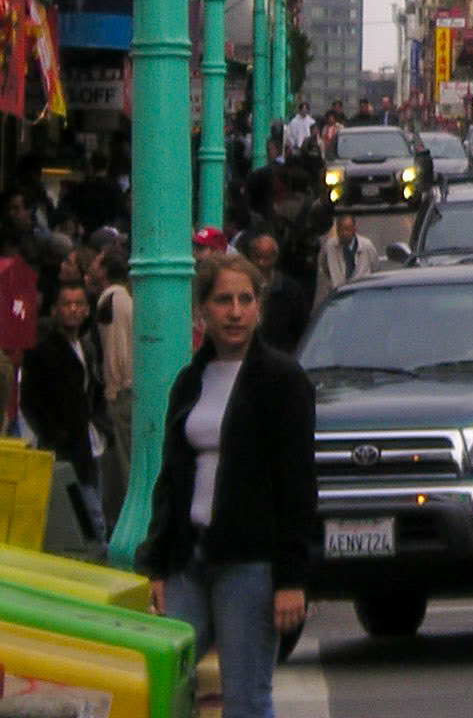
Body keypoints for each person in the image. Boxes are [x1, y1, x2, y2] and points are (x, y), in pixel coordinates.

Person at [144, 253, 316, 718]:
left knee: (245, 698)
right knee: (164, 687)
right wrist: (156, 564)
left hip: (250, 564)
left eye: (245, 300)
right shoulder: (189, 380)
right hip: (188, 562)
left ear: (259, 307)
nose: (235, 312)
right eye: (223, 300)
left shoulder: (282, 380)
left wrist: (292, 580)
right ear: (202, 311)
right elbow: (171, 478)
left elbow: (298, 485)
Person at [20, 280, 111, 543]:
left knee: (93, 513)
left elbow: (91, 393)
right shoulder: (43, 352)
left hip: (91, 446)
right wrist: (53, 434)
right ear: (54, 310)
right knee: (92, 522)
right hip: (69, 450)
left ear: (86, 310)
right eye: (66, 304)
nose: (73, 309)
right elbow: (29, 400)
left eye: (79, 304)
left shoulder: (87, 347)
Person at [90, 246, 133, 526]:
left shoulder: (112, 301)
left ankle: (118, 522)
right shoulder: (123, 298)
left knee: (119, 463)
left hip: (120, 392)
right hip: (125, 390)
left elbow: (116, 350)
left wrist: (112, 389)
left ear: (104, 270)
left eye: (96, 261)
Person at [246, 233, 310, 355]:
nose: (261, 263)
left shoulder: (291, 290)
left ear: (275, 258)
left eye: (266, 258)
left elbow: (301, 328)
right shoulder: (240, 287)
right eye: (257, 257)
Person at [313, 213, 379, 307]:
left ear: (354, 229)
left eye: (348, 230)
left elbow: (375, 267)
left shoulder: (367, 246)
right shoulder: (330, 246)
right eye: (341, 230)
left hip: (363, 295)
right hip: (339, 296)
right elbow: (324, 265)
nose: (344, 233)